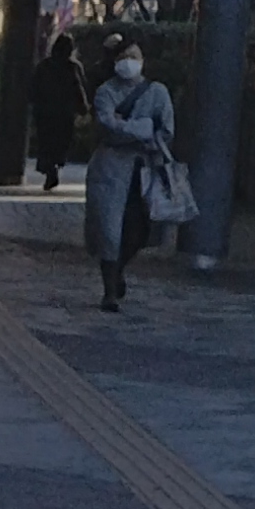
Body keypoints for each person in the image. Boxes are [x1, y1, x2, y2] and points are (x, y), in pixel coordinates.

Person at [82, 35, 176, 312]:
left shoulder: (158, 91)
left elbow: (167, 129)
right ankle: (109, 290)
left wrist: (132, 128)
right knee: (109, 230)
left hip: (146, 169)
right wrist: (144, 128)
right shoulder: (105, 92)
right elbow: (108, 124)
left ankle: (119, 268)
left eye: (134, 57)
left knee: (142, 228)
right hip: (110, 168)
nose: (129, 63)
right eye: (124, 57)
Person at [29, 26, 91, 191]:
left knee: (45, 143)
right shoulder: (73, 67)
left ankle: (48, 168)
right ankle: (55, 165)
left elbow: (33, 88)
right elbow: (80, 88)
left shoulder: (44, 66)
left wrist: (33, 104)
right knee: (61, 143)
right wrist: (83, 108)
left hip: (44, 112)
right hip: (65, 113)